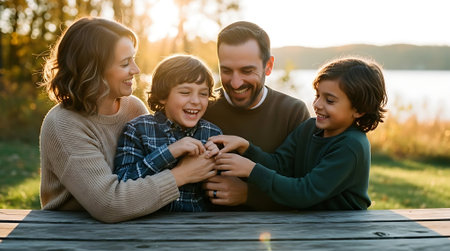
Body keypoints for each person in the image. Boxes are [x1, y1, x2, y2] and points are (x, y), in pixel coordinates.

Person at [39, 17, 216, 223]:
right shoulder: (64, 124)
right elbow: (109, 204)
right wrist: (182, 175)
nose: (136, 70)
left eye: (133, 59)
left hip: (134, 223)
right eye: (125, 63)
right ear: (93, 70)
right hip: (73, 230)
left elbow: (149, 170)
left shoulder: (132, 106)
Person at [208, 57, 388, 210]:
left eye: (330, 100)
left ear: (359, 110)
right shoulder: (309, 128)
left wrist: (251, 170)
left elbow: (305, 192)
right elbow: (280, 165)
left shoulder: (351, 145)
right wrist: (246, 147)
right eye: (317, 95)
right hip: (308, 224)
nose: (317, 105)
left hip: (344, 229)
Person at [202, 21, 310, 210]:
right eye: (226, 70)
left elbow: (304, 187)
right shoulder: (201, 107)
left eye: (247, 71)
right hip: (203, 230)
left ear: (268, 66)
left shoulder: (293, 112)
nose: (235, 83)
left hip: (277, 231)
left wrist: (249, 195)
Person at [114, 55, 222, 212]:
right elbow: (123, 183)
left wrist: (217, 163)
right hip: (148, 224)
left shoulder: (212, 133)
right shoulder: (137, 129)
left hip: (198, 227)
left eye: (203, 94)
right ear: (163, 96)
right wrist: (169, 152)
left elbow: (219, 190)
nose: (196, 101)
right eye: (185, 92)